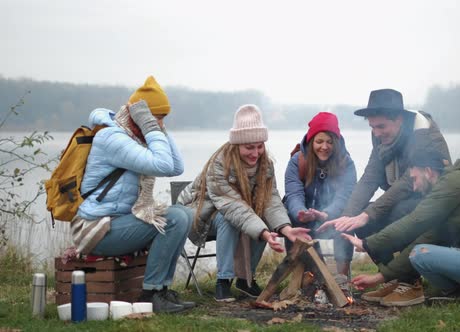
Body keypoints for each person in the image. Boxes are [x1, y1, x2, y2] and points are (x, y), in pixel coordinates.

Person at [342, 147, 460, 306]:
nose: (414, 187)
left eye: (415, 179)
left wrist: (368, 244)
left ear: (429, 172)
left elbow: (414, 221)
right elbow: (428, 237)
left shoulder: (452, 185)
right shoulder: (449, 191)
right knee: (420, 252)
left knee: (421, 254)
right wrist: (379, 278)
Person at [73, 76, 195, 313]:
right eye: (155, 117)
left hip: (117, 223)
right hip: (96, 230)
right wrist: (151, 127)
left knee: (185, 214)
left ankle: (162, 290)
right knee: (174, 218)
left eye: (163, 119)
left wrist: (157, 128)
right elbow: (162, 165)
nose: (159, 123)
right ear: (139, 117)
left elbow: (176, 167)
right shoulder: (112, 138)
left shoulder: (137, 136)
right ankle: (150, 294)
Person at [317, 88, 451, 304]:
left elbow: (407, 183)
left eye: (381, 126)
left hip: (435, 205)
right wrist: (347, 217)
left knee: (396, 211)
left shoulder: (422, 133)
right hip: (405, 200)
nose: (376, 133)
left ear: (398, 119)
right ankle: (394, 278)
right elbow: (370, 178)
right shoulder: (381, 136)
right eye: (372, 127)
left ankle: (411, 285)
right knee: (358, 219)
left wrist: (367, 214)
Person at [177, 104, 312, 302]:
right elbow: (232, 207)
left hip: (234, 212)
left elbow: (270, 201)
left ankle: (245, 280)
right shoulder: (219, 164)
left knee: (258, 217)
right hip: (197, 213)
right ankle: (223, 281)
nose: (255, 153)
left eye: (260, 146)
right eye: (249, 147)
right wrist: (264, 233)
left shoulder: (265, 164)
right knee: (229, 219)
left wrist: (285, 229)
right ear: (236, 145)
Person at [283, 112, 357, 276]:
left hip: (331, 217)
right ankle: (301, 275)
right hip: (305, 218)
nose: (324, 146)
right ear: (311, 142)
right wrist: (300, 212)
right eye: (319, 141)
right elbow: (293, 193)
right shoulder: (297, 161)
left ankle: (342, 278)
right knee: (291, 219)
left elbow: (345, 196)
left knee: (345, 223)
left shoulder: (346, 163)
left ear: (336, 143)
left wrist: (326, 214)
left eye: (330, 142)